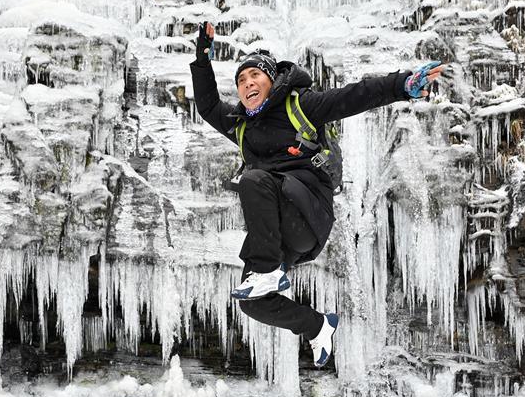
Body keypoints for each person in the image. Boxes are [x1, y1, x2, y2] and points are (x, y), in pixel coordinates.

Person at [189, 21, 444, 368]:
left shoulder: (301, 105)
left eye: (255, 76)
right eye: (241, 80)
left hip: (308, 212)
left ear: (271, 79)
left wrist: (403, 85)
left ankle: (266, 271)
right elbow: (206, 107)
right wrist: (202, 61)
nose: (247, 83)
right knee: (252, 302)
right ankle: (318, 326)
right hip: (282, 235)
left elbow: (354, 96)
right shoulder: (242, 126)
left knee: (252, 181)